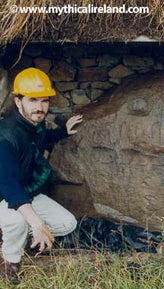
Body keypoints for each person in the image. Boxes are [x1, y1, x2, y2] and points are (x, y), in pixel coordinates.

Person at [0, 67, 83, 284]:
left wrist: (63, 131)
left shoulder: (32, 123)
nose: (40, 107)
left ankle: (16, 236)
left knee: (67, 224)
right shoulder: (5, 136)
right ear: (18, 101)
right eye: (33, 100)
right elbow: (9, 187)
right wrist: (36, 223)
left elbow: (39, 138)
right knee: (19, 222)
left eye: (44, 101)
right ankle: (9, 262)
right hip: (4, 196)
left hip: (26, 190)